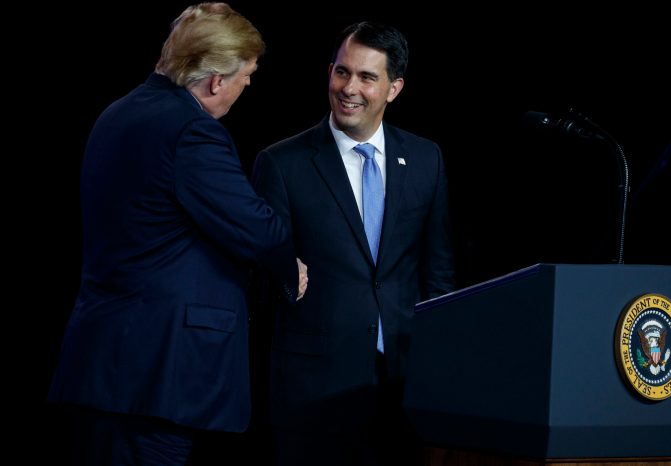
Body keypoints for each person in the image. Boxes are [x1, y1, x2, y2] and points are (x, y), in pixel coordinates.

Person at [47, 3, 307, 464]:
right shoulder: (191, 132)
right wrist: (291, 269)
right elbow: (259, 230)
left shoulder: (115, 114)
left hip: (103, 366)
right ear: (215, 82)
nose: (247, 86)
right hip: (156, 377)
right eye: (246, 75)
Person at [251, 20, 455, 466]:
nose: (349, 88)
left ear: (394, 88)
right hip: (314, 391)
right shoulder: (282, 163)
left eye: (367, 77)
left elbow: (437, 272)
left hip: (403, 387)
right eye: (342, 72)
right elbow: (264, 281)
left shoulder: (425, 158)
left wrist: (437, 365)